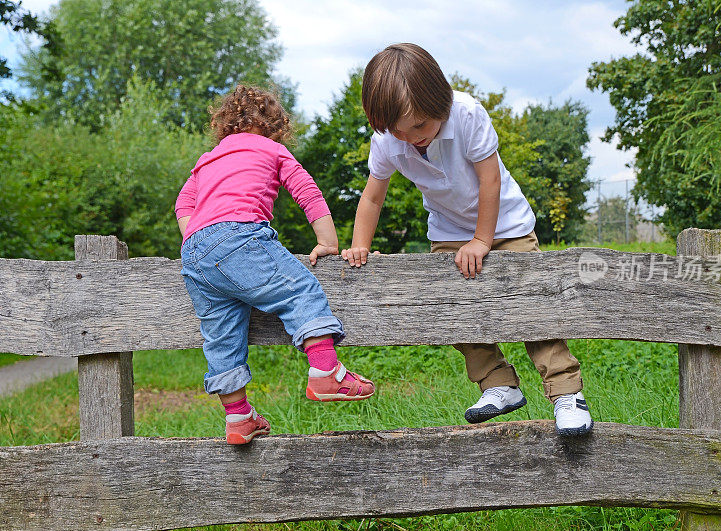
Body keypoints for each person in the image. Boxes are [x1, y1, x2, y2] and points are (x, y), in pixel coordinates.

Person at [341, 43, 592, 435]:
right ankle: (498, 384)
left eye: (420, 126)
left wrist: (481, 240)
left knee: (531, 306)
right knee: (458, 310)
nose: (411, 139)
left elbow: (489, 180)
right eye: (398, 131)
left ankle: (565, 392)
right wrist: (359, 244)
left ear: (440, 102)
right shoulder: (390, 140)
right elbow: (373, 195)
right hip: (448, 231)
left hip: (505, 224)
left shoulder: (468, 114)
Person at [176, 85, 375, 445]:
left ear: (225, 126)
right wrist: (328, 242)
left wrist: (199, 240)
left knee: (220, 337)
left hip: (194, 254)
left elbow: (183, 206)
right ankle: (326, 371)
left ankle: (238, 417)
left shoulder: (206, 160)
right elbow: (307, 192)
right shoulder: (272, 149)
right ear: (274, 125)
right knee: (299, 289)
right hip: (240, 235)